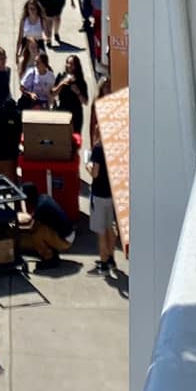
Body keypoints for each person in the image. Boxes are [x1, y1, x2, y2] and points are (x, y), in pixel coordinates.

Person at [88, 117, 118, 275]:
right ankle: (111, 257)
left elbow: (95, 173)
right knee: (110, 227)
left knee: (101, 230)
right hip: (111, 193)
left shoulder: (98, 149)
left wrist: (88, 167)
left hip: (99, 194)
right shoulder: (114, 148)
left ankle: (104, 262)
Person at [22, 188, 76, 264]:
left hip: (65, 240)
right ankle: (53, 253)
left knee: (36, 235)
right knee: (44, 228)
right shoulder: (44, 197)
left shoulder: (40, 208)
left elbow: (31, 227)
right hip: (69, 234)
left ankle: (49, 259)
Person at [51, 56, 89, 136]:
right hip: (63, 110)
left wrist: (78, 92)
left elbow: (85, 102)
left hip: (75, 113)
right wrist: (61, 84)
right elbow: (53, 94)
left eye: (72, 64)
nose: (69, 65)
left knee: (75, 137)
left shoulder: (80, 81)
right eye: (68, 63)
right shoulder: (61, 76)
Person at [15, 0, 46, 74]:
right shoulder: (24, 20)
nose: (32, 11)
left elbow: (46, 33)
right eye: (30, 9)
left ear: (37, 9)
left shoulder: (41, 20)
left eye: (34, 9)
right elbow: (20, 37)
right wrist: (17, 52)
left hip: (38, 44)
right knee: (23, 65)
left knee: (43, 65)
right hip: (26, 44)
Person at [21, 45, 55, 110]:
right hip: (32, 103)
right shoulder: (31, 72)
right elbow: (22, 88)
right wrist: (30, 94)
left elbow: (52, 91)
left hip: (45, 103)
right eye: (35, 61)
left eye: (38, 62)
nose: (35, 64)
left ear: (44, 64)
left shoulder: (50, 75)